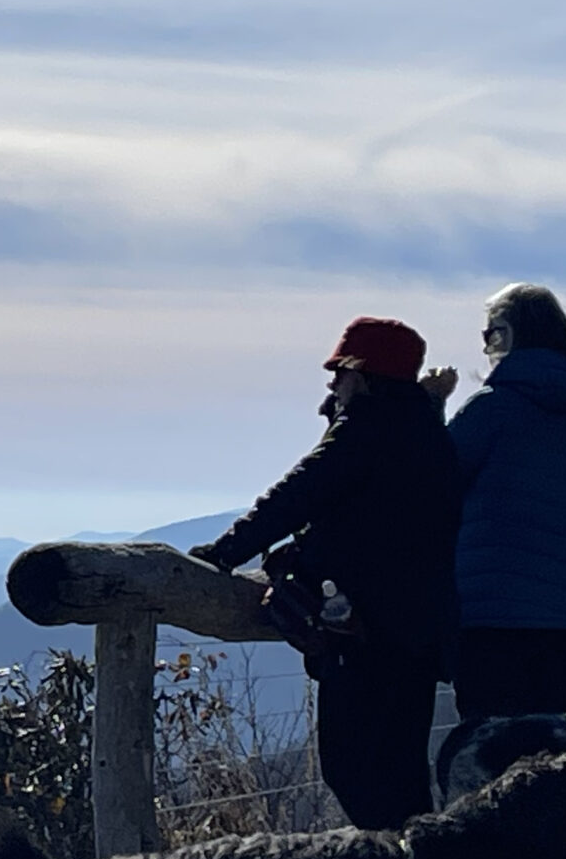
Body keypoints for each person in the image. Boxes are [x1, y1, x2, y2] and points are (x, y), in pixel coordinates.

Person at [190, 317, 459, 828]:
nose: (332, 384)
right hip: (420, 635)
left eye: (338, 372)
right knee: (402, 773)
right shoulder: (427, 432)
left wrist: (222, 554)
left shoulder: (365, 429)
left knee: (351, 769)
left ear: (362, 372)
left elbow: (293, 497)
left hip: (361, 633)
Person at [445, 283, 566, 731]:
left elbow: (435, 487)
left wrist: (431, 406)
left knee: (492, 754)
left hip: (491, 617)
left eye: (491, 334)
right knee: (560, 751)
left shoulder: (490, 410)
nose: (487, 346)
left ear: (511, 336)